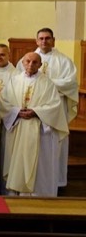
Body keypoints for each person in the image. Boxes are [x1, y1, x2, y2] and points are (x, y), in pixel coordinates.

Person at [16, 28, 78, 189]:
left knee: (54, 144)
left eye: (47, 38)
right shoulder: (26, 59)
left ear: (53, 40)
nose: (44, 41)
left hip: (54, 109)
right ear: (36, 41)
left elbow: (70, 83)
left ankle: (55, 180)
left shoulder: (64, 61)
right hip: (29, 107)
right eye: (41, 38)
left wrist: (44, 82)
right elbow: (18, 81)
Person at [0, 52, 69, 197]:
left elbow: (55, 105)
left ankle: (39, 196)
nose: (31, 65)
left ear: (40, 65)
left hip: (39, 130)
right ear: (23, 63)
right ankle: (16, 192)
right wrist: (17, 111)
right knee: (16, 162)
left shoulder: (47, 83)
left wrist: (36, 112)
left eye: (35, 62)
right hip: (18, 126)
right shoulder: (14, 80)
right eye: (28, 61)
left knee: (40, 166)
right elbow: (4, 102)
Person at [0, 43, 17, 191]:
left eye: (2, 54)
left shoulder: (16, 74)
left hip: (7, 118)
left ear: (9, 55)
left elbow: (18, 96)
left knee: (4, 149)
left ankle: (2, 180)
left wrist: (2, 105)